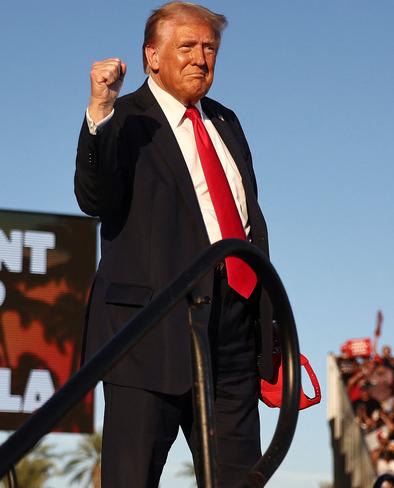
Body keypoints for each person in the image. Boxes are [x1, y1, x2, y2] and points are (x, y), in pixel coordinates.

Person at [74, 2, 276, 487]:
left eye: (209, 48)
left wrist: (266, 331)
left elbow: (249, 222)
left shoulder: (226, 121)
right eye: (186, 46)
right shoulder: (123, 118)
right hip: (147, 335)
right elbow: (94, 197)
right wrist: (99, 112)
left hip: (231, 340)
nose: (200, 58)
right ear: (152, 57)